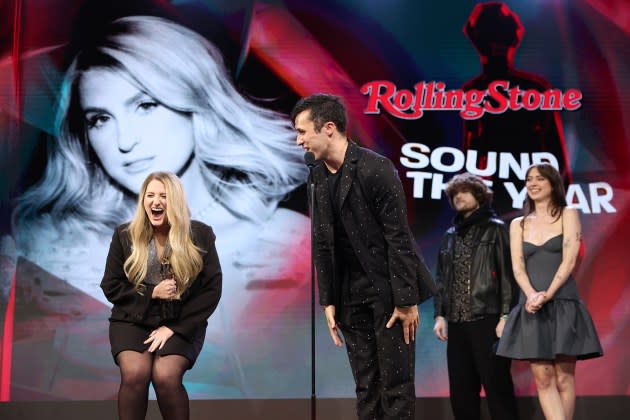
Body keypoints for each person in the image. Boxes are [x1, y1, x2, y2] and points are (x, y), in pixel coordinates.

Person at [2, 15, 310, 399]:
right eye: (100, 119)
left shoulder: (290, 245)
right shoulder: (46, 248)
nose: (124, 141)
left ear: (196, 102)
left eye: (145, 105)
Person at [292, 93, 435, 419]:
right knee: (366, 387)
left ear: (328, 128)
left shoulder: (375, 168)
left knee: (395, 386)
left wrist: (406, 299)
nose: (298, 141)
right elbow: (322, 241)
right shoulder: (316, 175)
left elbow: (398, 237)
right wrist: (328, 299)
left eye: (302, 132)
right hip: (348, 293)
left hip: (388, 291)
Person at [101, 171, 221, 420]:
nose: (155, 202)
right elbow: (111, 285)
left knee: (165, 376)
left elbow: (211, 290)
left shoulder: (200, 235)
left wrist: (174, 328)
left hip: (181, 320)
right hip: (133, 319)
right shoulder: (124, 235)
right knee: (135, 374)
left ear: (175, 201)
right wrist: (151, 293)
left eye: (163, 196)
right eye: (150, 195)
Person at [497, 163, 603, 420]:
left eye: (539, 179)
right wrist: (532, 295)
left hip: (563, 301)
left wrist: (548, 293)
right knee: (543, 377)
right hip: (532, 305)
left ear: (553, 183)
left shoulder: (568, 214)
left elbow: (569, 260)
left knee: (564, 376)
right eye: (529, 179)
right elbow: (517, 267)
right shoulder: (518, 224)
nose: (532, 183)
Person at [433, 172, 519, 420]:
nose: (458, 197)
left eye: (464, 191)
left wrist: (505, 315)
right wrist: (440, 314)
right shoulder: (450, 235)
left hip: (488, 318)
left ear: (479, 196)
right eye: (454, 194)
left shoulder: (496, 229)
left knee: (497, 386)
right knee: (461, 391)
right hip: (458, 323)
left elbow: (507, 276)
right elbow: (441, 278)